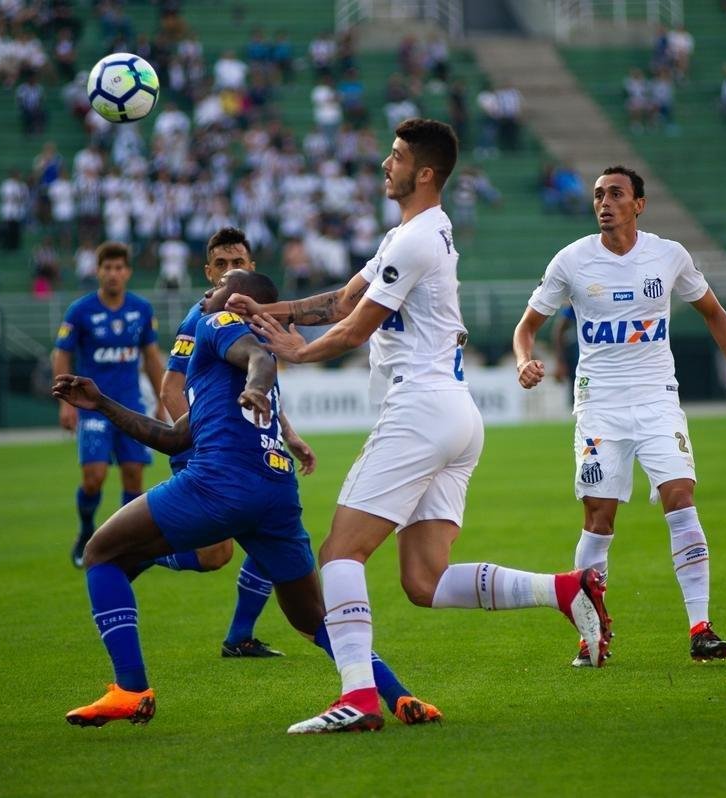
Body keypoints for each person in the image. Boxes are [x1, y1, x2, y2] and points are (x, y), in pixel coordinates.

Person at [235, 119, 610, 734]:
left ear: (425, 173)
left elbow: (353, 329)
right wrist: (263, 309)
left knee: (339, 552)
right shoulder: (409, 235)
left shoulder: (415, 241)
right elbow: (338, 302)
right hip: (455, 414)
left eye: (397, 155)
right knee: (423, 580)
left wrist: (295, 353)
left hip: (420, 409)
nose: (386, 163)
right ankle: (566, 590)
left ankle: (357, 698)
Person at [54, 269, 441, 729]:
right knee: (312, 617)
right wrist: (102, 404)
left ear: (237, 301)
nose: (208, 290)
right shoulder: (219, 362)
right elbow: (176, 438)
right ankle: (399, 697)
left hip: (220, 482)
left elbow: (259, 358)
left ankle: (131, 689)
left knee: (101, 553)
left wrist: (256, 385)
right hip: (275, 492)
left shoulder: (218, 324)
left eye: (220, 286)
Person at [511, 165, 726, 667]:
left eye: (615, 194)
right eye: (598, 195)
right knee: (599, 518)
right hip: (599, 407)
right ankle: (590, 634)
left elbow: (713, 312)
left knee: (681, 496)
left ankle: (701, 627)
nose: (604, 202)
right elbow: (527, 328)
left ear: (639, 204)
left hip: (657, 400)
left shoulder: (669, 256)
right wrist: (525, 361)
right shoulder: (571, 261)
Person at [154, 227, 316, 658]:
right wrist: (200, 448)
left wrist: (289, 434)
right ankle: (141, 549)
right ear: (209, 272)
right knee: (214, 555)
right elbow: (171, 388)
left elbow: (259, 383)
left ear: (251, 269)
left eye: (237, 263)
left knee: (265, 531)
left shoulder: (258, 317)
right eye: (221, 265)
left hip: (248, 448)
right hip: (211, 450)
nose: (230, 271)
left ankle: (239, 637)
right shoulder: (201, 318)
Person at [52, 242, 167, 568]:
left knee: (133, 477)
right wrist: (66, 403)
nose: (114, 274)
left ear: (127, 272)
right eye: (107, 268)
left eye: (119, 268)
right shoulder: (80, 311)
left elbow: (150, 357)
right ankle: (87, 529)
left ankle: (126, 544)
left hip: (130, 405)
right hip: (93, 408)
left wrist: (161, 400)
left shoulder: (141, 310)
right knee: (94, 477)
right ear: (98, 271)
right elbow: (61, 353)